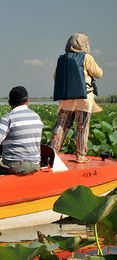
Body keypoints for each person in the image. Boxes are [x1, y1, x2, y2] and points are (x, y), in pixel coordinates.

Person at [50, 33, 104, 163]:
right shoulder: (86, 57)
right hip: (83, 97)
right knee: (82, 126)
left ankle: (52, 153)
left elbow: (55, 78)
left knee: (61, 125)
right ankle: (80, 156)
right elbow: (99, 73)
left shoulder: (62, 59)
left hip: (66, 98)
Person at [0, 86, 43, 178]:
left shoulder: (8, 118)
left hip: (16, 165)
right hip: (35, 164)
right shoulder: (36, 117)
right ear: (27, 101)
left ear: (9, 103)